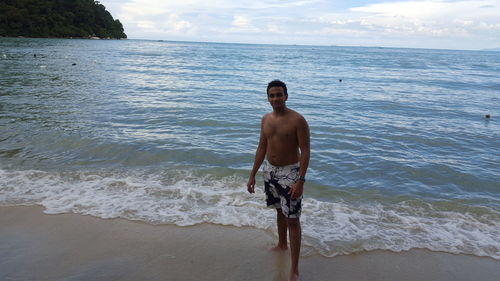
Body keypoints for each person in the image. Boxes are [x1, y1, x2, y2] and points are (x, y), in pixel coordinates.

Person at [247, 80, 310, 281]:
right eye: (272, 95)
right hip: (270, 172)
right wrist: (252, 174)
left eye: (279, 94)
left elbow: (306, 151)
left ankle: (295, 269)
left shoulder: (297, 120)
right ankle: (282, 244)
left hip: (290, 173)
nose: (275, 98)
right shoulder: (265, 119)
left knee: (292, 219)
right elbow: (261, 148)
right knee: (279, 211)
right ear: (268, 98)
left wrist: (300, 180)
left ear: (286, 96)